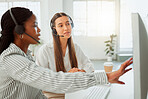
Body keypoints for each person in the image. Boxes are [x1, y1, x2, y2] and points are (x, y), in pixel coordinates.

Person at [0, 7, 133, 99]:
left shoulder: (26, 56)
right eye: (34, 26)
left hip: (71, 91)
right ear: (19, 30)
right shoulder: (12, 59)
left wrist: (82, 74)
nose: (39, 30)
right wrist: (106, 77)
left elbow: (36, 95)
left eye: (68, 24)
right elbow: (51, 81)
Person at [35, 12, 133, 99]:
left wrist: (82, 71)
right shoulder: (44, 51)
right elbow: (42, 81)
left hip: (73, 91)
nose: (66, 28)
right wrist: (68, 75)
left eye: (68, 24)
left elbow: (89, 65)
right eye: (60, 25)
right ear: (54, 29)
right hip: (53, 95)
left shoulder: (75, 47)